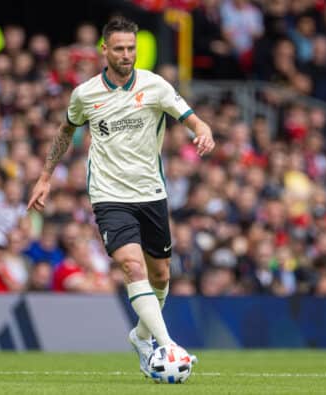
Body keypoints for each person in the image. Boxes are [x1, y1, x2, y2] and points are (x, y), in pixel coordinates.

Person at [27, 17, 214, 377]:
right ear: (105, 50)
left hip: (151, 193)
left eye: (131, 48)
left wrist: (203, 131)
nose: (127, 55)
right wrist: (45, 177)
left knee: (160, 276)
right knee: (132, 266)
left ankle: (142, 336)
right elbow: (65, 131)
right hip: (109, 194)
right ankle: (167, 345)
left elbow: (193, 119)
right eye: (119, 49)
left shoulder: (155, 85)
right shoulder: (85, 94)